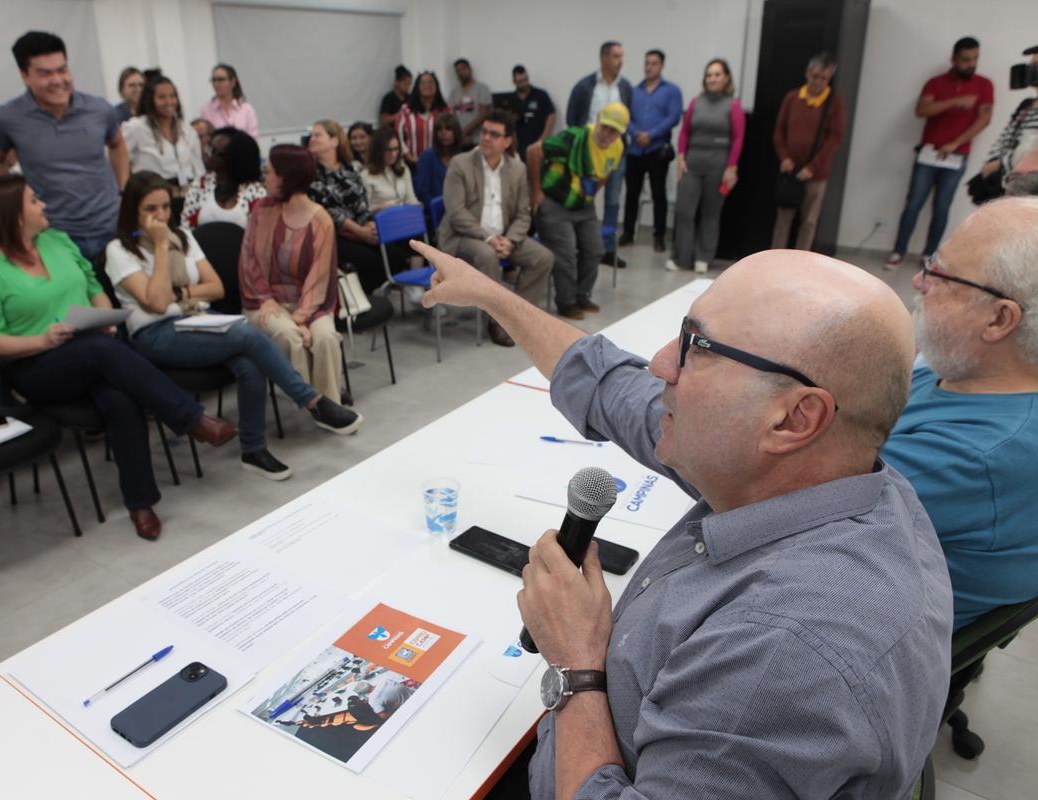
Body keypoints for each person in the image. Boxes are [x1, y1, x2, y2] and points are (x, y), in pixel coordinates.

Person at [407, 236, 952, 800]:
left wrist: (575, 663)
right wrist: (492, 295)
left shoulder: (780, 651)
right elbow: (611, 386)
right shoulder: (820, 471)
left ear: (794, 418)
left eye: (698, 347)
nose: (662, 363)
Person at [0, 175, 238, 541]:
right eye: (33, 201)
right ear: (11, 215)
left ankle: (141, 503)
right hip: (35, 366)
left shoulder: (56, 242)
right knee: (103, 351)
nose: (43, 205)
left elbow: (92, 287)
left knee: (120, 395)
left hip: (92, 352)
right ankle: (191, 419)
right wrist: (43, 338)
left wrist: (103, 317)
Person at [105, 172, 360, 480]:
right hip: (154, 334)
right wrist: (160, 247)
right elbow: (156, 304)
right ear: (132, 209)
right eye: (150, 209)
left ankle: (253, 450)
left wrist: (180, 293)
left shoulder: (183, 237)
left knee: (248, 364)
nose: (160, 216)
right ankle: (312, 400)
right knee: (245, 334)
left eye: (164, 207)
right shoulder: (119, 250)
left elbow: (215, 287)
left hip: (197, 319)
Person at [882, 197, 1038, 630]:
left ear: (999, 319)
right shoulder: (962, 368)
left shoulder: (976, 455)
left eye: (939, 272)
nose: (918, 280)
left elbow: (777, 493)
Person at [0, 31, 129, 261]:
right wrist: (13, 203)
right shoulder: (7, 118)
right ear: (24, 76)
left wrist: (124, 189)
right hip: (52, 236)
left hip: (110, 227)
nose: (58, 80)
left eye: (62, 70)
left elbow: (118, 144)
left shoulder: (99, 109)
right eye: (45, 73)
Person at [241, 145, 348, 405]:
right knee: (292, 337)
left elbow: (320, 276)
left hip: (311, 304)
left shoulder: (321, 220)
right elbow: (249, 263)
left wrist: (302, 317)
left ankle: (330, 408)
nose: (264, 177)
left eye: (269, 172)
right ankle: (311, 404)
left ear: (285, 177)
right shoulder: (262, 210)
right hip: (264, 302)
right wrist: (266, 298)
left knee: (326, 338)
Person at [439, 110, 553, 347]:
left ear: (507, 141)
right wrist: (489, 238)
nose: (486, 138)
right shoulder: (461, 164)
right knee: (487, 254)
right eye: (484, 132)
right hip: (464, 236)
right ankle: (497, 321)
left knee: (543, 258)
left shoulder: (517, 169)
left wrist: (510, 240)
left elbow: (523, 213)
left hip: (504, 237)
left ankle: (519, 316)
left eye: (494, 134)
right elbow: (456, 213)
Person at [885, 37, 994, 269]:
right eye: (965, 60)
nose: (971, 64)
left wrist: (955, 143)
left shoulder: (984, 85)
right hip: (928, 154)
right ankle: (898, 251)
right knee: (913, 203)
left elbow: (984, 119)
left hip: (957, 156)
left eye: (975, 59)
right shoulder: (936, 83)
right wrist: (954, 102)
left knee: (942, 206)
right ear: (954, 59)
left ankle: (930, 255)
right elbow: (922, 109)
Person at [527, 104, 629, 320]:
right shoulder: (574, 137)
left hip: (583, 206)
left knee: (595, 249)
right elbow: (533, 151)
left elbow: (606, 172)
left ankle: (582, 295)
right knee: (566, 254)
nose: (608, 134)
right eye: (605, 127)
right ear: (597, 121)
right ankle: (566, 302)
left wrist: (591, 195)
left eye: (614, 131)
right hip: (555, 202)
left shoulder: (617, 146)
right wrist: (535, 192)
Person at [308, 119, 411, 293]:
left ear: (334, 141)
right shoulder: (311, 173)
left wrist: (368, 223)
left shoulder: (352, 168)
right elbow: (326, 210)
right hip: (333, 234)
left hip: (360, 227)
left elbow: (362, 201)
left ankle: (368, 294)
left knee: (396, 257)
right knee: (369, 262)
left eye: (318, 135)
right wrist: (359, 230)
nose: (312, 139)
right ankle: (360, 300)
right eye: (311, 135)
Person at [669, 58, 745, 274]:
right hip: (692, 162)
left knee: (710, 213)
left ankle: (703, 257)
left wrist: (731, 167)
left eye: (717, 74)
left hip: (718, 164)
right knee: (684, 211)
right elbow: (684, 132)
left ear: (726, 78)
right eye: (709, 74)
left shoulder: (733, 105)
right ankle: (682, 257)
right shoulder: (696, 102)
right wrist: (682, 156)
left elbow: (738, 138)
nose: (712, 78)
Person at [771, 52, 847, 251]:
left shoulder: (834, 103)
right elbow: (779, 131)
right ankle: (776, 260)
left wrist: (812, 167)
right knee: (782, 220)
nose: (818, 82)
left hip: (815, 174)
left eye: (824, 78)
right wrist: (784, 157)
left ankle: (802, 263)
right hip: (790, 171)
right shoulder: (792, 98)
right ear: (807, 74)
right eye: (815, 77)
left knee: (809, 222)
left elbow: (834, 138)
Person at [567, 42, 632, 268]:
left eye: (621, 56)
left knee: (613, 201)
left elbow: (627, 120)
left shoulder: (625, 87)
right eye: (616, 56)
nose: (620, 61)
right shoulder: (585, 86)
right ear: (604, 58)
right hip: (587, 154)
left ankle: (608, 250)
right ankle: (583, 246)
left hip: (615, 152)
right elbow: (572, 118)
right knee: (585, 199)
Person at [621, 49, 682, 253]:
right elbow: (625, 116)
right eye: (647, 63)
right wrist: (635, 133)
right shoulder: (634, 90)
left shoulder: (671, 90)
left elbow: (673, 117)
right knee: (631, 194)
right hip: (635, 149)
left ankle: (658, 236)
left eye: (654, 63)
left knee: (658, 194)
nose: (649, 67)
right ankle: (628, 233)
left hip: (657, 151)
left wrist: (652, 134)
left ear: (662, 66)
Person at [121, 74, 205, 195]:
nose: (169, 102)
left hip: (188, 195)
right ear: (150, 100)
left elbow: (198, 169)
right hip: (152, 194)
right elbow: (118, 160)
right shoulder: (136, 128)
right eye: (162, 97)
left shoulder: (187, 130)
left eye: (172, 96)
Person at [181, 129, 266, 229]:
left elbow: (261, 234)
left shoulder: (256, 192)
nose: (207, 154)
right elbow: (186, 226)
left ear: (233, 158)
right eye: (208, 148)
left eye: (213, 151)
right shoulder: (200, 185)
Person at [979, 47, 1038, 183]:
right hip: (1012, 182)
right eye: (1032, 66)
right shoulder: (1027, 105)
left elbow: (1032, 150)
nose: (1032, 72)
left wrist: (1001, 164)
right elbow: (1006, 136)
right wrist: (992, 160)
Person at [359, 127, 420, 213]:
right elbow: (364, 211)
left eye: (396, 149)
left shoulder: (403, 168)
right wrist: (381, 208)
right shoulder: (366, 175)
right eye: (388, 150)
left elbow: (411, 200)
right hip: (380, 221)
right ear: (377, 151)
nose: (393, 154)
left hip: (404, 218)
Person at [396, 71, 449, 167]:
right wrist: (407, 155)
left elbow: (453, 137)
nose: (427, 85)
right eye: (423, 82)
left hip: (439, 164)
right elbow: (398, 135)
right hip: (411, 164)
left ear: (436, 86)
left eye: (431, 82)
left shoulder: (446, 111)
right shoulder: (406, 110)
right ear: (417, 87)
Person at [413, 113, 462, 215]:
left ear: (456, 132)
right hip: (435, 213)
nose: (443, 133)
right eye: (439, 130)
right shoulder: (427, 156)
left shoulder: (462, 157)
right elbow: (422, 192)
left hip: (459, 211)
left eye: (448, 129)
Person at [510, 65, 555, 163]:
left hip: (538, 143)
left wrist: (543, 138)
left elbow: (551, 115)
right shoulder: (510, 99)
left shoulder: (541, 95)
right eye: (520, 82)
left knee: (538, 174)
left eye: (525, 80)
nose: (524, 84)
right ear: (514, 82)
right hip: (519, 146)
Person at [199, 63, 258, 138]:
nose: (216, 84)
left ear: (233, 82)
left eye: (221, 80)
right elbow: (207, 139)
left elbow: (253, 139)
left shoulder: (246, 109)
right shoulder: (206, 110)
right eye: (214, 80)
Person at [451, 58, 492, 144]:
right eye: (458, 71)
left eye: (463, 69)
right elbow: (451, 114)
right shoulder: (454, 92)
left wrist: (464, 132)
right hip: (458, 140)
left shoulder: (482, 89)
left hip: (478, 139)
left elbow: (484, 114)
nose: (461, 72)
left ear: (470, 69)